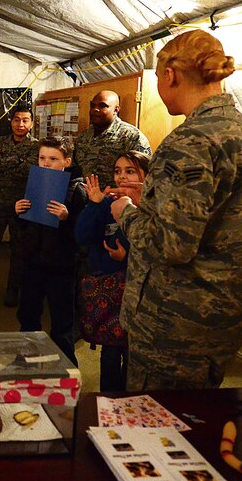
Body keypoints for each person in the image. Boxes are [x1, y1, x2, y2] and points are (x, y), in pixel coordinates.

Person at [111, 29, 242, 390]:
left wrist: (125, 211)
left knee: (160, 434)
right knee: (198, 426)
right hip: (219, 315)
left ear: (170, 75)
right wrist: (151, 200)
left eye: (156, 79)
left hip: (173, 322)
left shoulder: (190, 141)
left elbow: (171, 245)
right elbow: (218, 216)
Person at [75, 151, 150, 391]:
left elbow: (160, 249)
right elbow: (82, 236)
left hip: (142, 295)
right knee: (109, 352)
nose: (122, 177)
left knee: (134, 353)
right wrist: (94, 205)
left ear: (146, 175)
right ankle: (108, 401)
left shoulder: (153, 207)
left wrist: (127, 256)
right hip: (109, 293)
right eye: (118, 171)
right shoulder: (106, 202)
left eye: (130, 171)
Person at [14, 137, 87, 366]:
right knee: (28, 314)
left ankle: (66, 368)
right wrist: (19, 212)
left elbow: (82, 233)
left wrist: (67, 218)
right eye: (42, 158)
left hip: (61, 265)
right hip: (33, 261)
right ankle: (27, 362)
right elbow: (25, 226)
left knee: (62, 321)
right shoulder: (33, 182)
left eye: (53, 159)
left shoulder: (78, 189)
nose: (46, 163)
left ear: (66, 161)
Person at [0, 107, 39, 306]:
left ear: (32, 123)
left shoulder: (36, 147)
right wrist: (15, 160)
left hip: (24, 205)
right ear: (11, 122)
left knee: (19, 250)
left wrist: (2, 161)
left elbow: (28, 169)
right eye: (17, 120)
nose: (20, 125)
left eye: (25, 120)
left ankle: (13, 290)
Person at [73, 90, 152, 188]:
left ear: (116, 110)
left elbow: (145, 175)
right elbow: (75, 169)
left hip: (118, 199)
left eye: (102, 106)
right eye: (93, 106)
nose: (95, 109)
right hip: (88, 199)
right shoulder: (83, 137)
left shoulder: (131, 136)